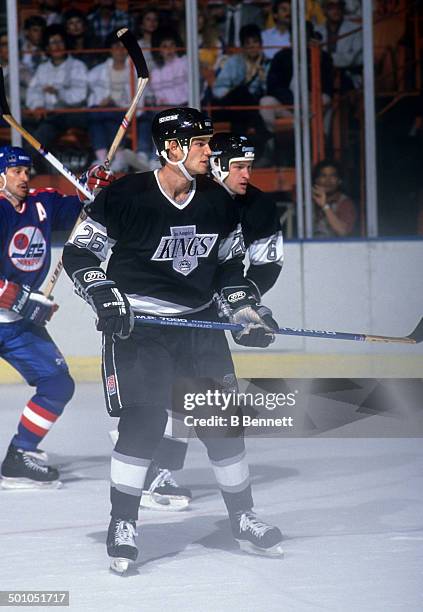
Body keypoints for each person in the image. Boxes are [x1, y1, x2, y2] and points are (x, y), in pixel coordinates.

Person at [62, 107, 283, 573]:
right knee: (143, 424)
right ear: (172, 149)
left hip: (198, 329)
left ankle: (243, 518)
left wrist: (245, 309)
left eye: (208, 142)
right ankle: (123, 522)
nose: (209, 151)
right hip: (140, 330)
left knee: (223, 428)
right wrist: (104, 293)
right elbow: (79, 252)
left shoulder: (219, 201)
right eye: (200, 143)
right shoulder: (125, 196)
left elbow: (227, 268)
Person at [141, 132, 284, 510]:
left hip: (205, 313)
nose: (245, 175)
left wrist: (244, 303)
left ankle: (163, 470)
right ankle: (153, 468)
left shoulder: (259, 206)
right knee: (176, 397)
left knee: (210, 399)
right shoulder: (184, 196)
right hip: (166, 315)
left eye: (249, 167)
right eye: (237, 166)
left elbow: (266, 264)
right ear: (215, 163)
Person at [0, 146, 80, 489]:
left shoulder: (41, 202)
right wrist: (19, 299)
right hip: (16, 312)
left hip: (18, 327)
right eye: (15, 171)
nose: (24, 177)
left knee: (58, 384)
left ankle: (20, 455)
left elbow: (85, 209)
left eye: (26, 171)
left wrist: (96, 186)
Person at [25, 25, 88, 173]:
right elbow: (33, 92)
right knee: (26, 123)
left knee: (48, 126)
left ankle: (28, 163)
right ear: (47, 47)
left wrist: (59, 92)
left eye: (60, 42)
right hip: (49, 115)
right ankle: (33, 164)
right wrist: (38, 106)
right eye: (53, 43)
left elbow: (81, 95)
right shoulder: (42, 68)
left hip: (72, 114)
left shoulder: (77, 66)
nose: (57, 46)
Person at [315, 0, 362, 90]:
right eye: (331, 6)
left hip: (348, 76)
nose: (336, 10)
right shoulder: (317, 30)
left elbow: (352, 58)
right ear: (324, 10)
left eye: (339, 6)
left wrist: (326, 59)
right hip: (322, 76)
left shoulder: (355, 29)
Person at [312, 159, 356, 237]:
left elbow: (343, 231)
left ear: (339, 181)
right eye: (323, 176)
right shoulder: (309, 202)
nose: (328, 181)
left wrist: (325, 206)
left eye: (332, 176)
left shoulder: (345, 203)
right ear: (316, 180)